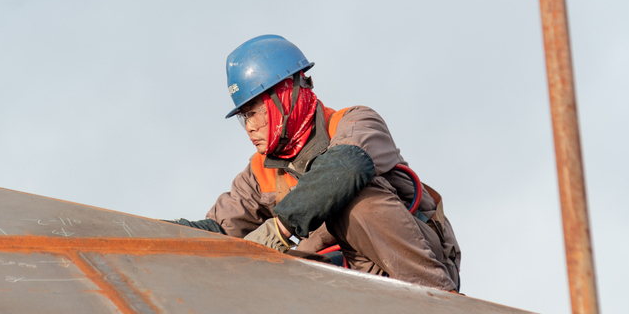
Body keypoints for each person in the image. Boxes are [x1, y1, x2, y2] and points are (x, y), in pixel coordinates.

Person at [175, 34, 461, 291]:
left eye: (253, 112)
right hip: (354, 276)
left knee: (349, 199)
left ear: (285, 95)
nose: (249, 127)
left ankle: (444, 309)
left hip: (419, 260)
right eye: (243, 118)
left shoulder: (355, 122)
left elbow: (346, 167)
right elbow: (220, 231)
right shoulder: (261, 172)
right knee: (272, 265)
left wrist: (280, 228)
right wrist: (147, 232)